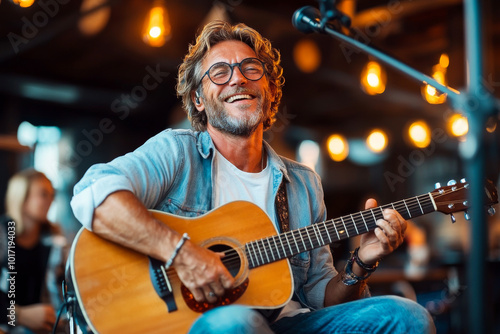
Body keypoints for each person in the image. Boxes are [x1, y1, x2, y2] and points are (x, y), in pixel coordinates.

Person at [70, 20, 435, 333]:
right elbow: (93, 193)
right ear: (198, 99)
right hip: (208, 324)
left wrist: (362, 260)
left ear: (270, 90)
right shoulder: (177, 152)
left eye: (251, 68)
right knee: (237, 323)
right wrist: (181, 255)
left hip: (290, 323)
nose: (237, 79)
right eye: (219, 72)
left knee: (408, 317)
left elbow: (323, 298)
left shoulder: (304, 184)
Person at [1, 169, 66, 334]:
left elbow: (63, 290)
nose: (50, 200)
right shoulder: (2, 234)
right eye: (43, 194)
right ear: (21, 198)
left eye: (52, 195)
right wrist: (19, 315)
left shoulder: (54, 240)